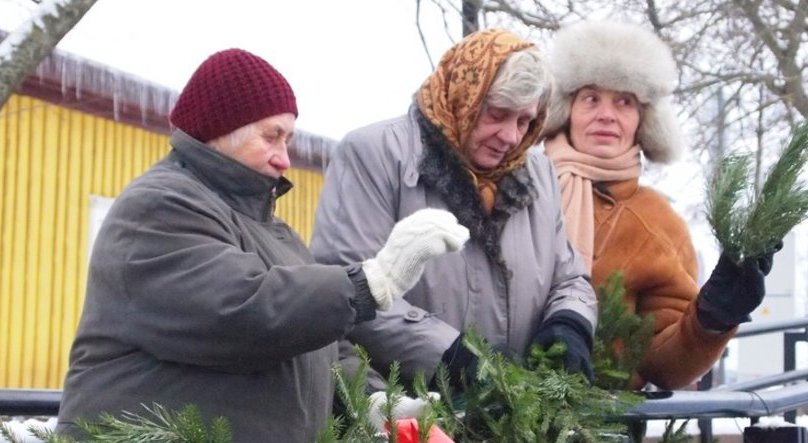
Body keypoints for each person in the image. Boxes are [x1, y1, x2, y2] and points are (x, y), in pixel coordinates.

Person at [57, 49, 469, 443]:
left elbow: (321, 345)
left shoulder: (275, 233)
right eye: (271, 136)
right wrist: (373, 282)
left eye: (287, 139)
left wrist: (375, 402)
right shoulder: (160, 206)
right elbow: (240, 311)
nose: (284, 158)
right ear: (222, 130)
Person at [309, 29, 598, 392]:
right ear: (464, 95)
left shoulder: (539, 174)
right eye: (497, 114)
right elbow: (345, 287)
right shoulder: (375, 155)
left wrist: (568, 324)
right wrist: (451, 356)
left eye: (524, 121)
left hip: (518, 415)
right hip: (409, 414)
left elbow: (569, 278)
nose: (510, 136)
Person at [542, 21, 777, 389]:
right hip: (486, 419)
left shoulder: (658, 223)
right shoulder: (516, 191)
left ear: (643, 121)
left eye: (624, 101)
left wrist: (713, 317)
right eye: (591, 98)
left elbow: (663, 366)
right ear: (565, 109)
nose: (607, 114)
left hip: (598, 430)